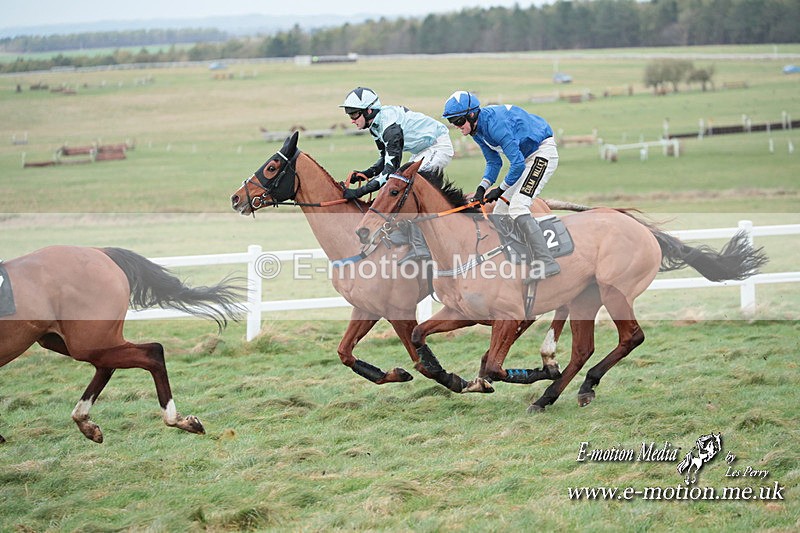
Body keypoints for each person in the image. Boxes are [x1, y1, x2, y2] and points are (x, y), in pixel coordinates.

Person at [442, 90, 561, 280]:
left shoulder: (496, 126)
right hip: (525, 158)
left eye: (458, 121)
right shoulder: (476, 130)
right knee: (499, 212)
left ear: (471, 115)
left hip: (542, 153)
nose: (456, 126)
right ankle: (522, 258)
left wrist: (500, 189)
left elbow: (517, 164)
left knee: (518, 206)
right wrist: (482, 188)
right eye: (451, 122)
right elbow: (493, 162)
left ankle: (547, 262)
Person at [340, 86, 455, 263]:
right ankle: (405, 234)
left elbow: (389, 171)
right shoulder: (375, 126)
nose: (352, 120)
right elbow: (384, 159)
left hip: (437, 146)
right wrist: (366, 173)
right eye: (349, 114)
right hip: (422, 151)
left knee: (408, 187)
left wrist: (360, 191)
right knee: (401, 185)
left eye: (354, 114)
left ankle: (421, 247)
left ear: (369, 111)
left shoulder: (390, 128)